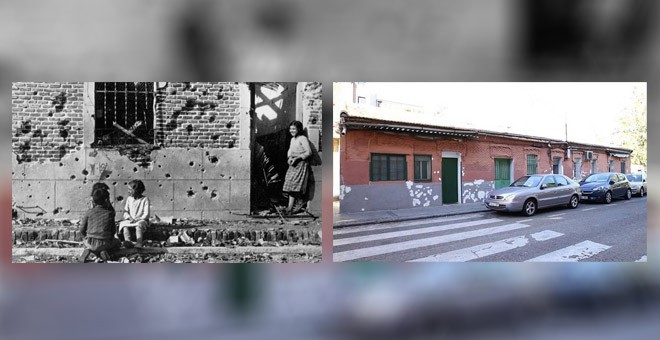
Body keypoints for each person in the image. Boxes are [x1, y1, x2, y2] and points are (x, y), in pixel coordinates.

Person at [80, 189, 121, 263]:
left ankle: (88, 250)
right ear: (106, 200)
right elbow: (113, 231)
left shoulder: (89, 212)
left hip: (90, 242)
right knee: (118, 243)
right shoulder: (110, 213)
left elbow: (82, 230)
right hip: (105, 243)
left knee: (88, 244)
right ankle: (103, 251)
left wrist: (85, 239)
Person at [282, 120, 313, 215]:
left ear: (299, 129)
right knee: (289, 183)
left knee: (296, 185)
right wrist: (289, 158)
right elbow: (290, 150)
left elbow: (309, 152)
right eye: (290, 129)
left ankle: (298, 204)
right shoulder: (292, 139)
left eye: (294, 129)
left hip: (301, 163)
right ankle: (290, 208)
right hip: (293, 163)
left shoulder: (302, 138)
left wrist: (298, 158)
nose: (292, 131)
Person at [119, 180, 150, 248]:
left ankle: (139, 242)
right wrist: (129, 218)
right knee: (124, 225)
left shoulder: (145, 199)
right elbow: (125, 211)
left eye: (130, 189)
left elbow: (146, 214)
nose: (128, 191)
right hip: (131, 220)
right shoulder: (129, 199)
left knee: (139, 225)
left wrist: (138, 219)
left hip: (141, 220)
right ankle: (128, 242)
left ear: (136, 190)